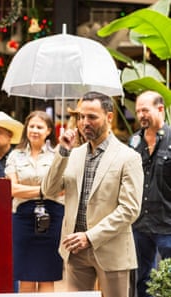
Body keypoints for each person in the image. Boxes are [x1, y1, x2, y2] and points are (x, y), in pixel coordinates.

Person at [41, 91, 144, 297]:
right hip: (75, 250)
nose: (84, 122)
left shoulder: (128, 157)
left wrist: (89, 237)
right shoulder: (73, 153)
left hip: (111, 249)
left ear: (109, 117)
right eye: (81, 117)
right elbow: (49, 190)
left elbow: (130, 209)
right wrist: (62, 151)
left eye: (92, 117)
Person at [5, 110, 63, 293]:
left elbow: (63, 188)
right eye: (31, 126)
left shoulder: (58, 155)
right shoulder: (15, 155)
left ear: (48, 131)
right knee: (26, 276)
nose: (35, 130)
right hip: (23, 218)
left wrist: (27, 190)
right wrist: (44, 191)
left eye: (40, 127)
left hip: (52, 218)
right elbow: (11, 189)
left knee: (47, 276)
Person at [129, 90, 171, 297]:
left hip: (168, 224)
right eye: (138, 112)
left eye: (145, 110)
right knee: (142, 278)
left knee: (169, 278)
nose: (140, 116)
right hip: (140, 223)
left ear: (160, 109)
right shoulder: (134, 142)